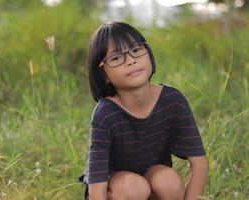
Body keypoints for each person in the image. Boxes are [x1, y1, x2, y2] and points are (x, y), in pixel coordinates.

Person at [78, 21, 208, 200]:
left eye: (136, 50)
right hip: (116, 190)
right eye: (116, 58)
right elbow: (97, 185)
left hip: (153, 184)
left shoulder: (172, 100)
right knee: (134, 187)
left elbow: (199, 163)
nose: (131, 60)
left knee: (169, 180)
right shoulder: (105, 114)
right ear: (104, 75)